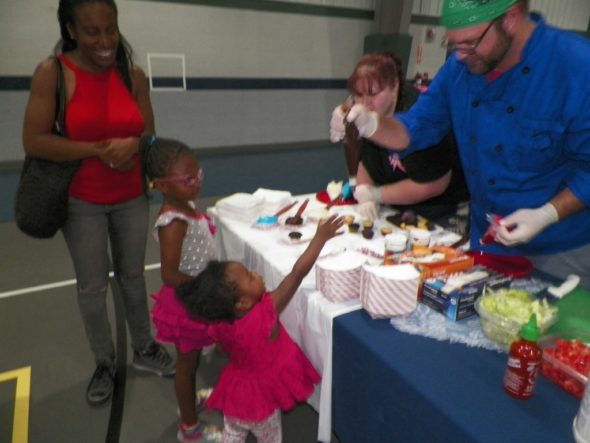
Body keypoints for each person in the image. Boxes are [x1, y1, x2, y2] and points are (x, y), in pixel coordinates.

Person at [330, 0, 590, 289]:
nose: (461, 55)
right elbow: (415, 129)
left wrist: (547, 214)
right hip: (489, 241)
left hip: (563, 249)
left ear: (511, 17)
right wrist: (372, 125)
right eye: (453, 44)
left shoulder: (576, 67)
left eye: (470, 43)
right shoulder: (459, 68)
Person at [22, 0, 174, 407]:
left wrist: (135, 144)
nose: (105, 41)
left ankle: (144, 348)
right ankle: (104, 361)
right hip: (81, 201)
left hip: (130, 199)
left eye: (111, 29)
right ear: (71, 30)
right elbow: (34, 140)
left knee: (133, 277)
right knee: (92, 288)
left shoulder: (133, 75)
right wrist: (96, 149)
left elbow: (151, 136)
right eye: (92, 32)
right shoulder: (52, 73)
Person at [176, 215, 345, 443]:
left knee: (233, 433)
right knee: (269, 437)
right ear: (242, 303)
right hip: (259, 401)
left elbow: (222, 351)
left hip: (235, 393)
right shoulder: (265, 313)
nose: (256, 274)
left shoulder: (220, 322)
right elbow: (296, 274)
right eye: (249, 277)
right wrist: (319, 238)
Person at [140, 135, 221, 443]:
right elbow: (170, 274)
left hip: (198, 296)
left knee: (194, 357)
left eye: (198, 173)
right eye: (188, 179)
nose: (196, 182)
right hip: (188, 303)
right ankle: (189, 427)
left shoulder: (183, 203)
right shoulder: (172, 221)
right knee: (186, 366)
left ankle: (192, 406)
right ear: (162, 185)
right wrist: (208, 286)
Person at [332, 51, 469, 223]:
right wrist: (363, 188)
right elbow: (365, 159)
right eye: (358, 95)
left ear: (394, 86)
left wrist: (377, 194)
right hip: (398, 205)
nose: (365, 103)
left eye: (373, 93)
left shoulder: (421, 114)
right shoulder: (364, 112)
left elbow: (434, 185)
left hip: (442, 207)